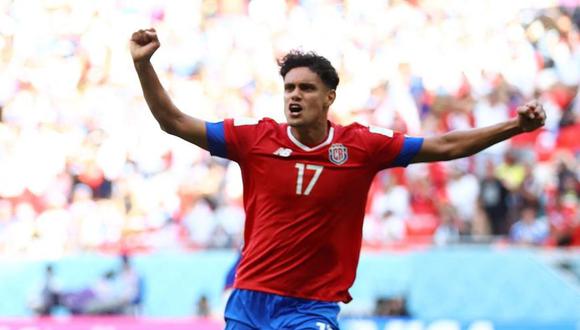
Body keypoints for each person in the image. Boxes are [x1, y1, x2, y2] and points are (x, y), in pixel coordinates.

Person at [130, 28, 546, 330]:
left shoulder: (363, 147)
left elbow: (446, 146)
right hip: (249, 300)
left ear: (329, 96)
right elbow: (173, 121)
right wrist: (143, 64)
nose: (295, 96)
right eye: (289, 87)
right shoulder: (253, 139)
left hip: (312, 306)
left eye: (307, 89)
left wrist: (513, 127)